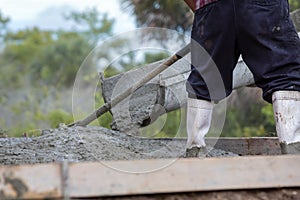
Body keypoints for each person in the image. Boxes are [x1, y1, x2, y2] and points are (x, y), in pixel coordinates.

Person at [183, 0, 300, 157]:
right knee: (284, 74)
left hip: (211, 7)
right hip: (263, 6)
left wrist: (204, 9)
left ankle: (194, 149)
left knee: (204, 81)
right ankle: (293, 148)